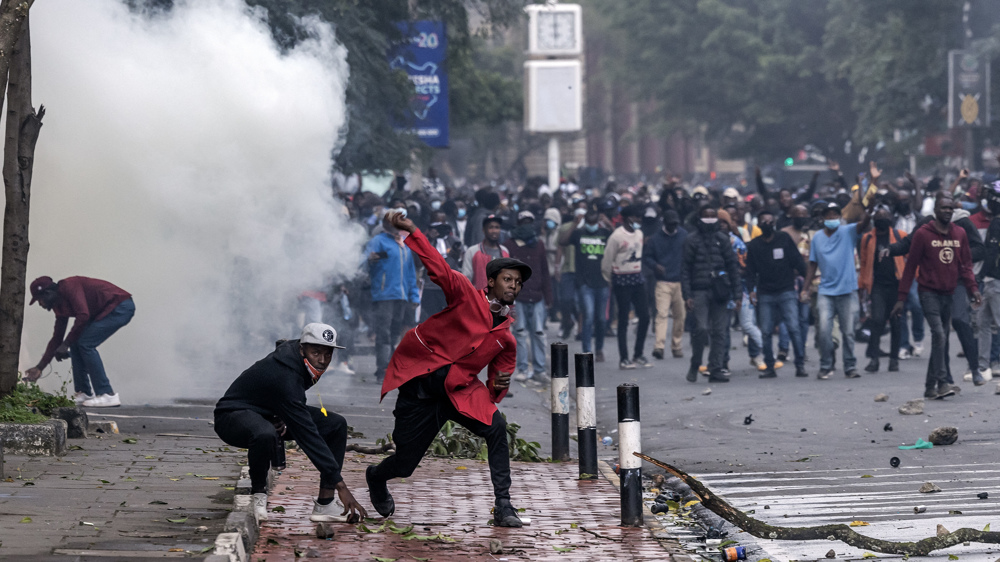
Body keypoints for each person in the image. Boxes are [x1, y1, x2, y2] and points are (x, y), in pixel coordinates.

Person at [367, 211, 528, 528]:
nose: (513, 286)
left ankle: (504, 506)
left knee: (497, 429)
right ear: (491, 281)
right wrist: (413, 230)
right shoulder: (466, 295)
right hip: (421, 392)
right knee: (404, 464)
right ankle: (375, 476)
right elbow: (438, 268)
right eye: (508, 279)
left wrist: (499, 383)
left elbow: (496, 388)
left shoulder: (506, 339)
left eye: (518, 283)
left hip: (460, 393)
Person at [214, 323, 366, 523]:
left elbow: (284, 402)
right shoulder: (286, 374)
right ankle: (258, 495)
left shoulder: (298, 357)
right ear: (302, 349)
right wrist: (342, 486)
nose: (322, 361)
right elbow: (307, 434)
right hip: (231, 417)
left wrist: (282, 415)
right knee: (265, 433)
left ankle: (325, 503)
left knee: (336, 424)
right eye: (316, 353)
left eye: (328, 355)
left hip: (267, 411)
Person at [893, 194, 982, 399]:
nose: (948, 211)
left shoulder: (959, 233)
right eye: (944, 208)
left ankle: (929, 386)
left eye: (951, 208)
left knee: (938, 339)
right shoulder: (923, 234)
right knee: (940, 335)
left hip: (949, 293)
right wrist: (901, 298)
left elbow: (966, 267)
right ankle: (943, 382)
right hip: (928, 293)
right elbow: (910, 267)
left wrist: (973, 290)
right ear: (935, 211)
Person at [801, 167, 873, 380]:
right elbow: (812, 265)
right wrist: (805, 288)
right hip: (825, 290)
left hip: (847, 289)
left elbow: (865, 221)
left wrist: (866, 191)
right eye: (828, 215)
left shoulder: (848, 231)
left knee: (849, 332)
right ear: (823, 218)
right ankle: (826, 365)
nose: (831, 217)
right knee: (823, 331)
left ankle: (850, 366)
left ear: (839, 217)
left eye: (835, 214)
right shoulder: (817, 238)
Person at [24, 276, 135, 407]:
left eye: (40, 300)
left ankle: (107, 394)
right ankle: (84, 393)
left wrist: (66, 344)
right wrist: (40, 367)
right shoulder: (59, 305)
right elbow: (57, 338)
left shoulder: (70, 286)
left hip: (120, 306)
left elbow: (83, 315)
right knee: (76, 343)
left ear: (48, 293)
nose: (41, 304)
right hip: (104, 311)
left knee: (85, 344)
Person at [681, 205, 740, 383]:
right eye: (706, 216)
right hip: (699, 290)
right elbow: (685, 270)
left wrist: (737, 294)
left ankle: (715, 368)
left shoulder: (723, 240)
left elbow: (732, 267)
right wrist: (687, 295)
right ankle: (696, 363)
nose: (709, 219)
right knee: (701, 329)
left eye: (712, 216)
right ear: (699, 218)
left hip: (720, 290)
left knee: (720, 331)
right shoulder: (691, 240)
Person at [746, 210, 808, 378]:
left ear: (774, 223)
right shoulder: (754, 245)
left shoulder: (783, 239)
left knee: (794, 328)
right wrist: (751, 290)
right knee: (766, 331)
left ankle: (800, 365)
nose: (767, 224)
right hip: (765, 293)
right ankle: (770, 367)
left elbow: (797, 261)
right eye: (763, 222)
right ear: (758, 225)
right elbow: (750, 271)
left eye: (770, 221)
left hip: (786, 289)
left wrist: (806, 285)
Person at [366, 210, 421, 382]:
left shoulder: (404, 244)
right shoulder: (378, 241)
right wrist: (370, 260)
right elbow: (364, 261)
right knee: (383, 333)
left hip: (401, 296)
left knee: (395, 333)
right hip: (384, 295)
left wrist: (414, 297)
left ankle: (389, 366)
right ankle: (382, 369)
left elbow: (411, 273)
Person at [602, 205, 652, 369]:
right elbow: (607, 261)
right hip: (621, 280)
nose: (639, 220)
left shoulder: (639, 234)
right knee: (623, 319)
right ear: (629, 218)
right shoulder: (616, 236)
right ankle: (624, 358)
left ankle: (638, 353)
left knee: (644, 316)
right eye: (637, 217)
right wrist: (610, 279)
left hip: (637, 277)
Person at [859, 206, 905, 373]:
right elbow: (864, 263)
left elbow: (912, 255)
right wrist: (862, 286)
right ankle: (874, 359)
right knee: (877, 321)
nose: (882, 218)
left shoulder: (900, 236)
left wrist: (913, 276)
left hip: (897, 285)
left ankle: (894, 359)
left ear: (891, 218)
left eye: (885, 215)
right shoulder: (867, 238)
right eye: (879, 216)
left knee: (896, 323)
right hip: (877, 285)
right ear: (874, 220)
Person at [561, 208, 612, 360]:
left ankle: (599, 348)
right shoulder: (578, 233)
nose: (591, 225)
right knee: (588, 316)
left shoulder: (604, 233)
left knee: (602, 319)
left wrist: (608, 223)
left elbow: (618, 239)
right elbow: (562, 241)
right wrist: (574, 225)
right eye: (588, 222)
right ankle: (587, 349)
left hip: (602, 281)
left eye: (593, 222)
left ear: (597, 221)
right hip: (585, 283)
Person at [508, 211, 553, 384]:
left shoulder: (539, 244)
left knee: (539, 333)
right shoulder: (510, 245)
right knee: (519, 333)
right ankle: (523, 369)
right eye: (523, 221)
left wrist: (548, 296)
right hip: (518, 296)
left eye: (530, 221)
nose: (527, 224)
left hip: (537, 296)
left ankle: (540, 370)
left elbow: (545, 272)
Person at [643, 210, 687, 359]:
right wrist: (655, 266)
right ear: (665, 223)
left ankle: (676, 345)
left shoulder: (684, 235)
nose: (673, 226)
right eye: (671, 224)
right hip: (663, 281)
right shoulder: (655, 239)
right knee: (661, 314)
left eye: (675, 224)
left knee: (679, 316)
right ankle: (659, 346)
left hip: (680, 281)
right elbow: (647, 257)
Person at [462, 214, 510, 290]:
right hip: (480, 299)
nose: (494, 231)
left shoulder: (505, 252)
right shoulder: (473, 251)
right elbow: (466, 279)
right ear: (484, 230)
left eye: (497, 227)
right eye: (490, 227)